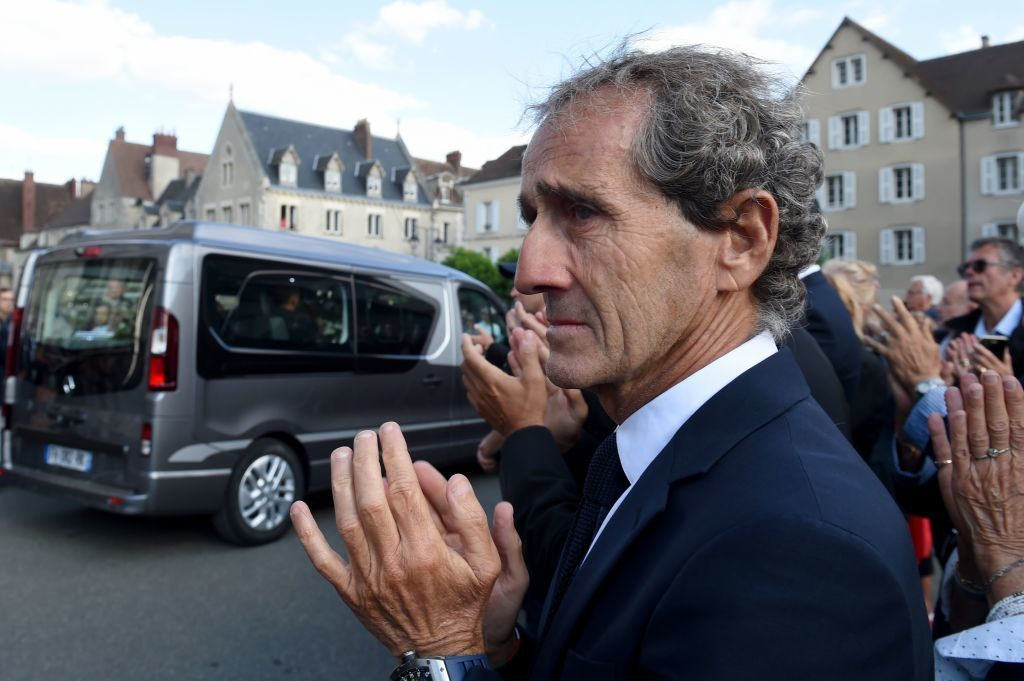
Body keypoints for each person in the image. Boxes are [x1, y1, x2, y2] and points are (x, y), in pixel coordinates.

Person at [290, 45, 932, 680]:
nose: (530, 273)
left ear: (741, 239)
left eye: (583, 212)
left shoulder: (796, 546)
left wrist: (442, 653)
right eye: (533, 216)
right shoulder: (659, 445)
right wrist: (501, 650)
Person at [944, 238, 1024, 376]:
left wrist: (1008, 383)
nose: (969, 272)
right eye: (965, 268)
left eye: (980, 266)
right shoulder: (953, 331)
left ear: (1014, 276)